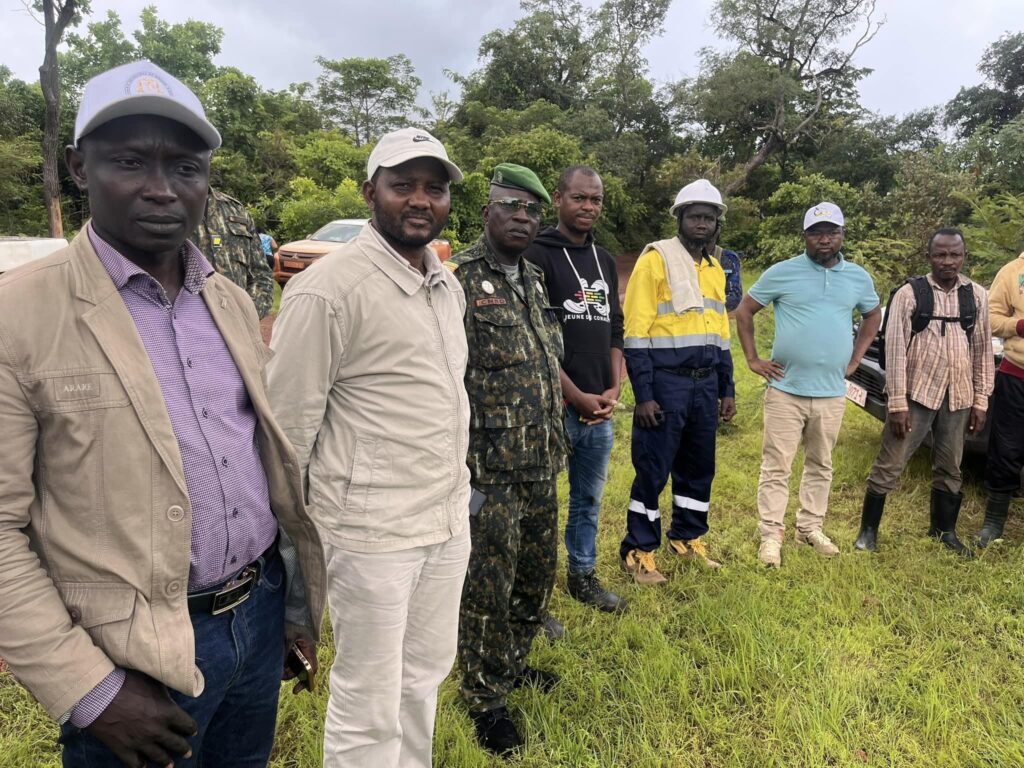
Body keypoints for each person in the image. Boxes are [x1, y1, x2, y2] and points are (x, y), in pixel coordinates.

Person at [0, 60, 325, 768]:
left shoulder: (229, 301)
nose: (161, 188)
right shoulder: (17, 314)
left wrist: (289, 608)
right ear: (78, 167)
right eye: (129, 162)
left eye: (184, 167)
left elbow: (261, 466)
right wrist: (90, 690)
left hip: (258, 615)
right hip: (131, 655)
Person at [266, 127, 470, 768]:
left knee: (424, 677)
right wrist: (291, 565)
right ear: (369, 192)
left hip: (446, 520)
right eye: (402, 184)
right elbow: (286, 436)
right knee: (369, 699)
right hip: (370, 533)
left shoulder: (447, 284)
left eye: (434, 188)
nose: (421, 200)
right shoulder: (327, 291)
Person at [446, 163, 566, 757]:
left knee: (534, 577)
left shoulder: (535, 279)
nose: (522, 218)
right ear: (487, 212)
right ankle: (483, 698)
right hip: (488, 468)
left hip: (541, 458)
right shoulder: (459, 281)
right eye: (510, 206)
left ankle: (513, 666)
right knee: (486, 589)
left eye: (531, 210)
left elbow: (546, 362)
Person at [736, 202, 881, 568]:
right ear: (805, 236)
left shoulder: (858, 277)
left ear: (842, 235)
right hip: (786, 389)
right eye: (816, 233)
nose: (824, 239)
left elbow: (872, 315)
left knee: (821, 463)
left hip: (831, 392)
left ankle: (810, 529)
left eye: (832, 232)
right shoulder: (783, 272)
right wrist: (753, 360)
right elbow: (745, 310)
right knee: (776, 466)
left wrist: (855, 359)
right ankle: (771, 535)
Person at [619, 179, 736, 585]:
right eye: (694, 216)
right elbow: (636, 333)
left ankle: (687, 538)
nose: (702, 223)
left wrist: (727, 388)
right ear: (680, 219)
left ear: (717, 223)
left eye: (709, 218)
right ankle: (638, 550)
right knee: (653, 469)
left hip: (705, 385)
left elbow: (721, 333)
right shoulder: (656, 259)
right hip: (666, 384)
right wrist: (644, 395)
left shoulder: (714, 268)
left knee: (698, 468)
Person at [524, 165, 627, 615]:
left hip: (599, 406)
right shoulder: (536, 254)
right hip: (554, 407)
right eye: (579, 198)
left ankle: (582, 575)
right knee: (538, 506)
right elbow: (536, 339)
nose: (588, 207)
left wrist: (613, 386)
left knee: (588, 499)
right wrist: (574, 395)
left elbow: (615, 328)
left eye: (596, 199)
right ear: (558, 199)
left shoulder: (604, 259)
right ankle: (534, 595)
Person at [855, 229, 993, 555]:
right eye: (940, 255)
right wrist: (897, 403)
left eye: (954, 254)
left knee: (951, 466)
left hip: (958, 395)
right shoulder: (910, 294)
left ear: (964, 256)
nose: (948, 261)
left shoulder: (976, 295)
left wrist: (981, 400)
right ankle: (867, 533)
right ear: (929, 257)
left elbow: (982, 349)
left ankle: (944, 531)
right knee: (891, 462)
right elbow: (895, 352)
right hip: (916, 394)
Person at [974, 246, 1024, 547]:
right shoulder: (1012, 272)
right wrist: (1017, 326)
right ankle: (994, 521)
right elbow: (989, 318)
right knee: (1006, 447)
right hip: (1017, 374)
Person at [191, 186, 275, 318]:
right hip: (188, 324)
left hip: (239, 322)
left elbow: (261, 274)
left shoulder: (235, 209)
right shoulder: (168, 210)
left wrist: (247, 315)